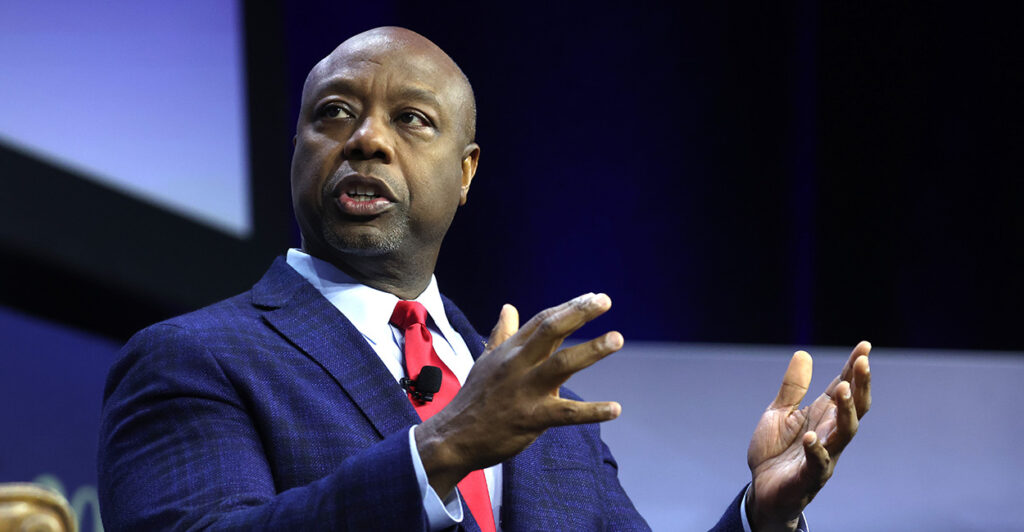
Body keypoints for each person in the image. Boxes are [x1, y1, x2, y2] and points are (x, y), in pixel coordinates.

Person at [98, 26, 871, 531]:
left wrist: (759, 517)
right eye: (334, 113)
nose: (366, 138)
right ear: (296, 146)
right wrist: (442, 448)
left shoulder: (545, 414)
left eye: (412, 119)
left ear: (466, 173)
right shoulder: (193, 359)